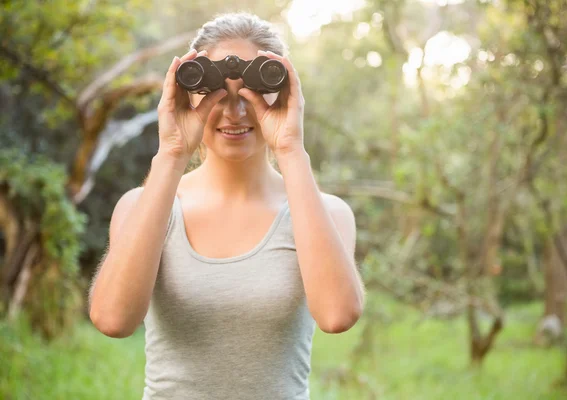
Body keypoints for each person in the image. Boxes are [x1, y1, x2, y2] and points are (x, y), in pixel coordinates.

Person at [88, 12, 365, 400]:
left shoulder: (326, 213)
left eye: (251, 94)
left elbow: (337, 315)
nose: (234, 113)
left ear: (283, 93)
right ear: (189, 94)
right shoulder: (145, 206)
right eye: (217, 93)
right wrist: (171, 153)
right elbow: (113, 319)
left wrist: (290, 149)